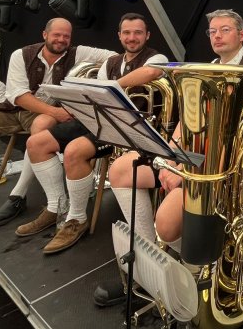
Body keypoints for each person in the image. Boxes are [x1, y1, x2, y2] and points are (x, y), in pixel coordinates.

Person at [94, 9, 243, 306]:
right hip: (194, 155)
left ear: (242, 35)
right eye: (212, 31)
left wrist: (183, 168)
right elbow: (187, 120)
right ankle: (150, 263)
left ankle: (192, 273)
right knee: (121, 170)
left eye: (224, 30)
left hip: (224, 163)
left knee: (166, 223)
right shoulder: (210, 66)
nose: (216, 36)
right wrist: (170, 157)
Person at [0, 18, 116, 224]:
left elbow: (114, 57)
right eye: (56, 35)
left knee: (41, 129)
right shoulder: (21, 54)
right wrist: (56, 111)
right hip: (15, 109)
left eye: (66, 36)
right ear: (45, 34)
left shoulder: (78, 53)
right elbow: (18, 96)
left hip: (44, 115)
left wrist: (94, 84)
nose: (61, 40)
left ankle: (18, 194)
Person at [19, 13, 168, 254]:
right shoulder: (111, 62)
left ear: (147, 35)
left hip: (132, 128)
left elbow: (150, 73)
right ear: (119, 35)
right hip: (100, 120)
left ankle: (76, 218)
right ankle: (57, 206)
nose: (132, 38)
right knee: (37, 143)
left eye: (138, 33)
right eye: (126, 33)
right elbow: (94, 93)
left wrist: (112, 86)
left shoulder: (156, 57)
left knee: (74, 151)